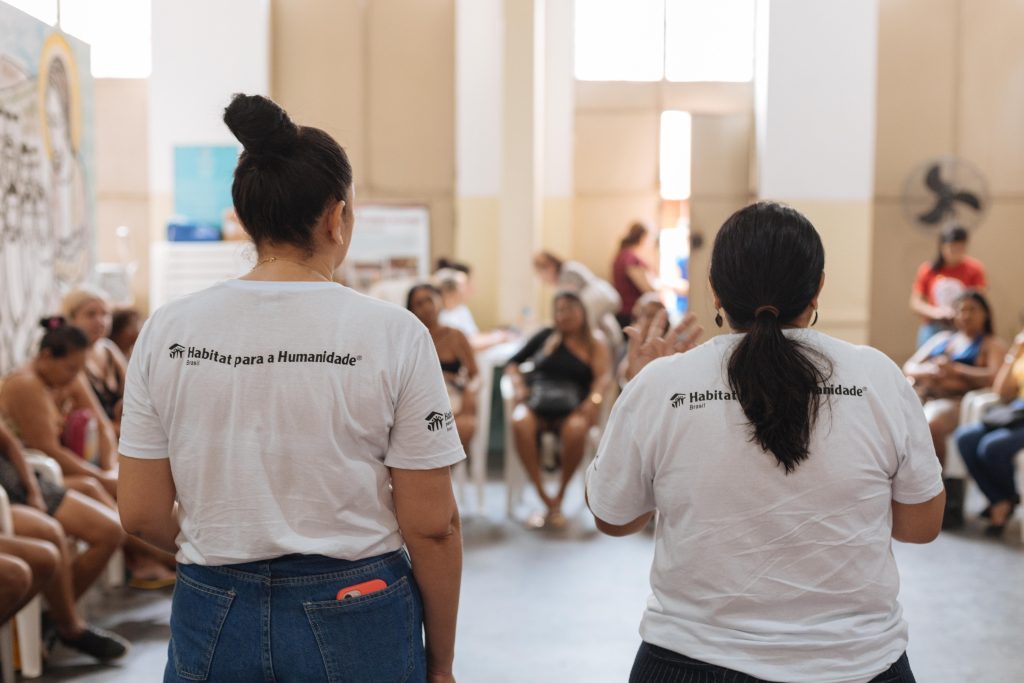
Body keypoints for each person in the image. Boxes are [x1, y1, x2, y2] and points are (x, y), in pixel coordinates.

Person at [117, 94, 464, 683]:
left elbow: (141, 512)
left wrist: (226, 561)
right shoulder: (394, 333)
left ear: (245, 217)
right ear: (336, 217)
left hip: (211, 607)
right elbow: (433, 525)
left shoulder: (167, 331)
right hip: (358, 606)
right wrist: (442, 662)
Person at [587, 201, 944, 683]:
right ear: (817, 288)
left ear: (715, 291)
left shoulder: (661, 384)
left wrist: (637, 391)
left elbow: (615, 517)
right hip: (857, 663)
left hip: (689, 662)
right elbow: (920, 525)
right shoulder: (877, 376)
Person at [0, 320, 176, 588]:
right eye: (71, 368)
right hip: (37, 472)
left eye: (79, 369)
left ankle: (156, 554)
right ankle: (168, 556)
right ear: (46, 357)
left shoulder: (61, 377)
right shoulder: (26, 385)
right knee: (100, 486)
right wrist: (102, 476)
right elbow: (49, 451)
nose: (75, 377)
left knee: (110, 484)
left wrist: (108, 464)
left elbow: (102, 423)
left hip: (52, 470)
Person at [0, 420, 129, 660]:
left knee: (111, 530)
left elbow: (10, 445)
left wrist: (33, 491)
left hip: (22, 484)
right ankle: (70, 625)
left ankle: (54, 618)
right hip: (5, 502)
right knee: (50, 532)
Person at [505, 291, 611, 528]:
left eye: (570, 309)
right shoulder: (545, 335)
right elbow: (512, 363)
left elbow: (603, 378)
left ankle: (560, 495)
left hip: (573, 405)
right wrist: (519, 386)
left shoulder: (594, 342)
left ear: (582, 312)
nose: (565, 315)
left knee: (576, 430)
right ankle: (543, 493)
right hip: (537, 400)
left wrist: (593, 401)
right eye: (560, 310)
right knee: (519, 422)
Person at [902, 290, 1005, 527]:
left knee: (932, 423)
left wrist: (957, 371)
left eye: (972, 310)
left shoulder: (990, 344)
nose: (965, 315)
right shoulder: (943, 339)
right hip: (927, 395)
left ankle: (942, 491)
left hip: (959, 402)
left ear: (985, 314)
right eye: (961, 310)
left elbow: (994, 376)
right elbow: (910, 366)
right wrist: (932, 370)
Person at [953, 326, 1024, 536]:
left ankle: (1003, 502)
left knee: (991, 447)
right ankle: (1002, 499)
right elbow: (1001, 392)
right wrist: (1014, 354)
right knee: (965, 438)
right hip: (1016, 412)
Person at [408, 283, 480, 451]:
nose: (426, 307)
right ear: (411, 309)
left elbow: (475, 374)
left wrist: (470, 390)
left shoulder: (456, 336)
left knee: (463, 426)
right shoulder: (409, 339)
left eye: (429, 300)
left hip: (452, 398)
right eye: (419, 303)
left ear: (439, 300)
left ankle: (442, 467)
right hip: (418, 400)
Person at [910, 225, 986, 349]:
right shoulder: (928, 270)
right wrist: (936, 312)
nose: (955, 252)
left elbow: (980, 301)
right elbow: (916, 303)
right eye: (951, 248)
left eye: (959, 248)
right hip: (934, 326)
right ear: (942, 247)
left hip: (962, 327)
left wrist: (960, 313)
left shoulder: (974, 269)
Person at [63, 287, 127, 432]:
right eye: (91, 314)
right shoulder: (67, 357)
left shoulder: (109, 349)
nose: (100, 321)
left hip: (119, 433)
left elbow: (135, 392)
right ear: (71, 319)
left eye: (105, 314)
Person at [611, 222, 660, 329]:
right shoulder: (630, 258)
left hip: (624, 311)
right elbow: (646, 287)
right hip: (630, 313)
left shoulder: (622, 255)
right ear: (643, 238)